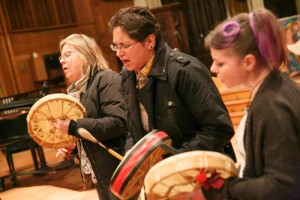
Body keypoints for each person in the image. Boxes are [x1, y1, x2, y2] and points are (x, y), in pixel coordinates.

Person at [108, 7, 235, 160]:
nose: (118, 53)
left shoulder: (185, 70)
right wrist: (132, 154)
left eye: (125, 45)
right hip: (161, 174)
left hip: (200, 169)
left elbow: (219, 129)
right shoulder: (127, 77)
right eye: (116, 46)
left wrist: (174, 159)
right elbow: (133, 129)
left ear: (149, 41)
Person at [203, 8, 300, 199]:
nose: (213, 69)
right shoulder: (273, 86)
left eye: (220, 63)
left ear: (248, 62)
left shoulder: (273, 106)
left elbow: (282, 186)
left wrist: (219, 191)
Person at [52, 34, 127, 200]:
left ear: (86, 55)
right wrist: (73, 147)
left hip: (119, 170)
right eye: (61, 57)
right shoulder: (78, 90)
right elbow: (92, 134)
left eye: (68, 55)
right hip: (101, 175)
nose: (62, 61)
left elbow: (118, 122)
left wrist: (73, 127)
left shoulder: (107, 80)